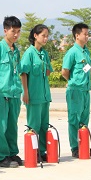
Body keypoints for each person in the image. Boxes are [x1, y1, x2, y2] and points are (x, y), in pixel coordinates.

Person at [0, 16, 23, 168]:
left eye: (18, 31)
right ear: (5, 31)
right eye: (13, 31)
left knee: (12, 125)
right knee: (0, 126)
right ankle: (1, 157)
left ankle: (12, 152)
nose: (16, 35)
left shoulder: (16, 51)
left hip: (14, 93)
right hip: (1, 93)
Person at [20, 24, 53, 162]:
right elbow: (23, 73)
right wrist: (26, 92)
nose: (45, 39)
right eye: (43, 36)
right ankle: (33, 152)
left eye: (47, 36)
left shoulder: (44, 53)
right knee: (34, 126)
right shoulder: (29, 53)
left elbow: (49, 70)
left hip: (44, 95)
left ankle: (42, 151)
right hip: (33, 95)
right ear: (35, 36)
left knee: (44, 125)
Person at [62, 23, 91, 158]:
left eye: (87, 34)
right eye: (85, 34)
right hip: (75, 90)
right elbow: (65, 72)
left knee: (84, 119)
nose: (87, 37)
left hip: (86, 90)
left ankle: (84, 145)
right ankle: (75, 147)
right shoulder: (72, 52)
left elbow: (87, 68)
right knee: (74, 119)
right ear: (77, 35)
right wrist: (74, 82)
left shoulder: (86, 52)